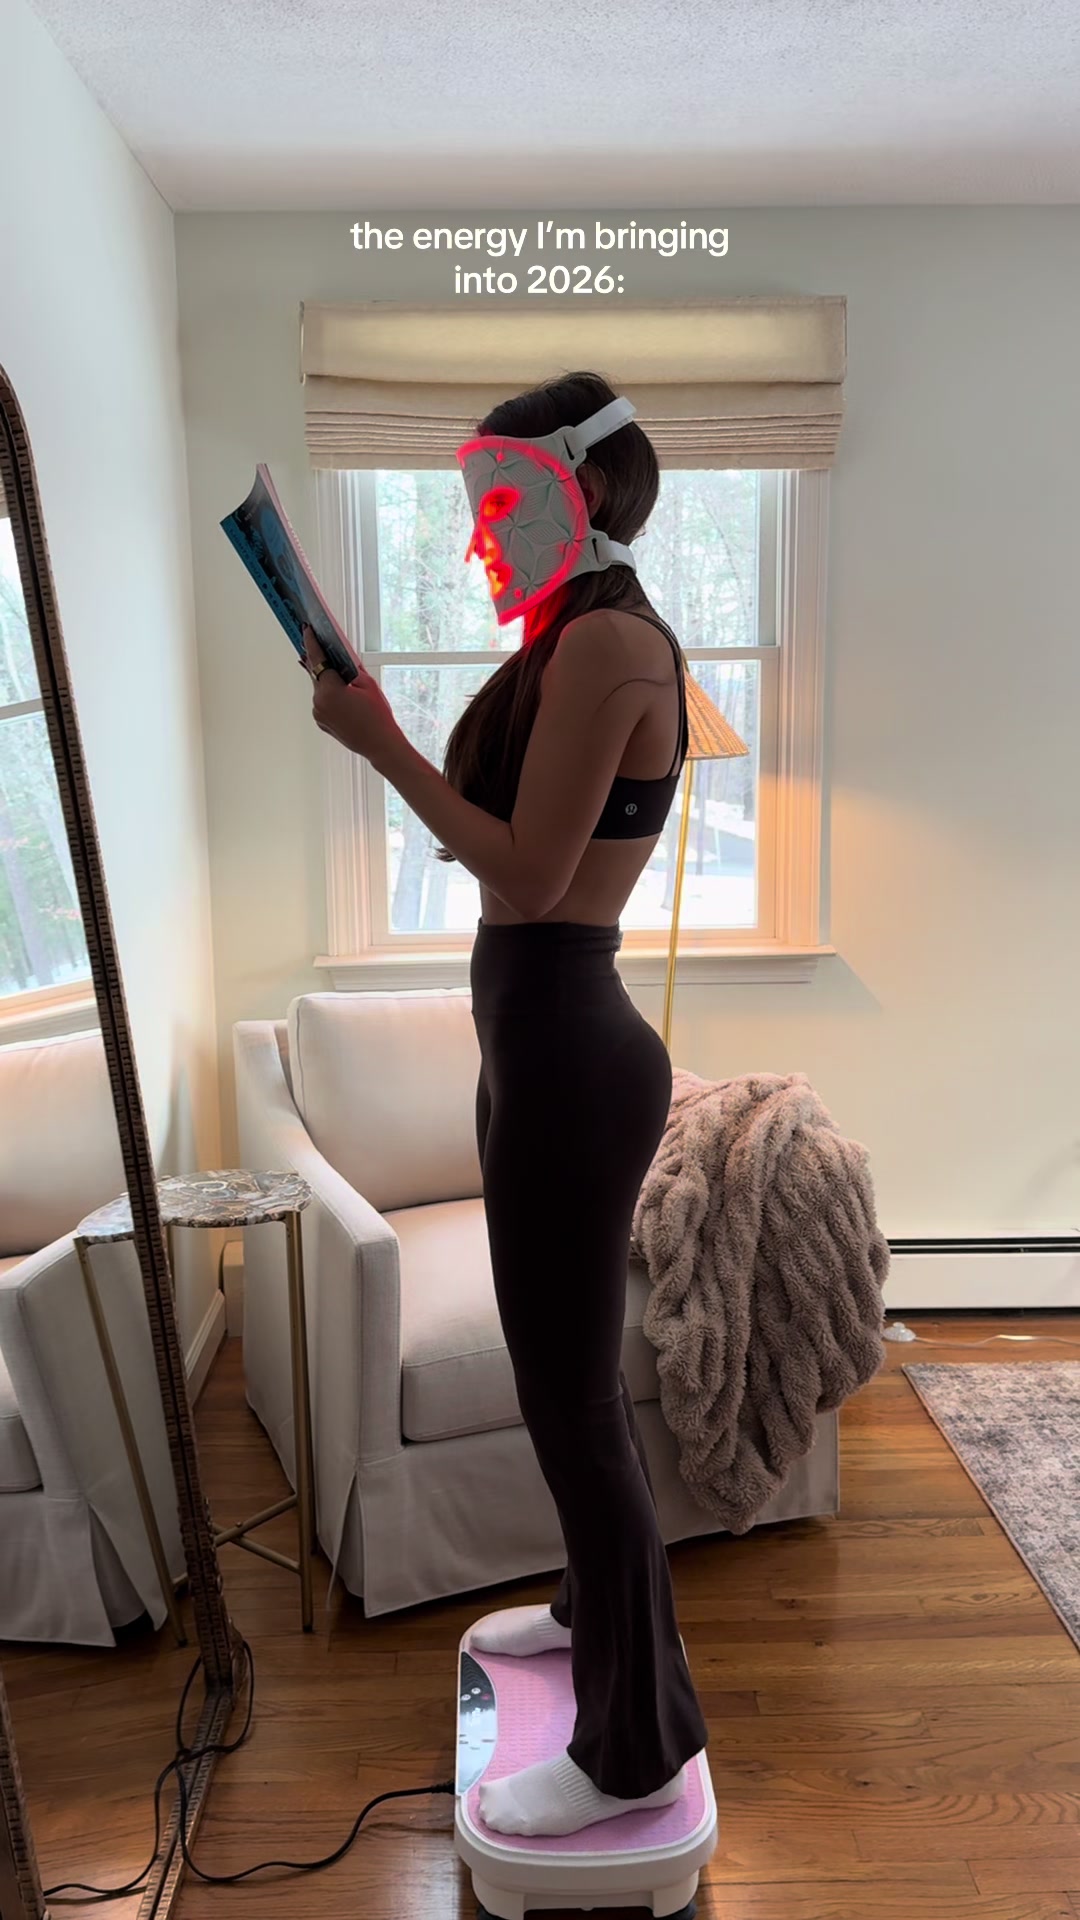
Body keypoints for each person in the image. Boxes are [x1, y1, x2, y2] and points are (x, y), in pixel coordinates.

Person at [302, 369, 709, 1839]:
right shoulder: (574, 635)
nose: (480, 535)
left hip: (568, 1051)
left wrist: (380, 746)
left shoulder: (609, 642)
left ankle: (628, 1750)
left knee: (572, 1401)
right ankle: (587, 1611)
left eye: (501, 504)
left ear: (579, 489)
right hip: (538, 1044)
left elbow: (532, 879)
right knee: (565, 1386)